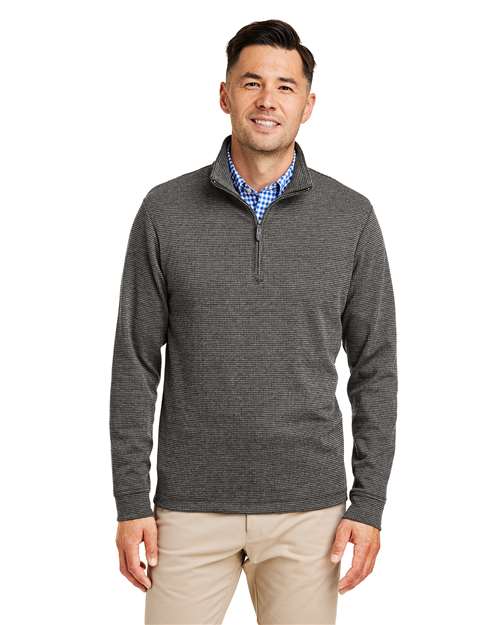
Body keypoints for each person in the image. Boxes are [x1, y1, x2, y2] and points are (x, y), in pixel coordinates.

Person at [110, 19, 398, 625]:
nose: (268, 100)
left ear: (307, 105)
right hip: (187, 509)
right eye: (252, 83)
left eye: (285, 87)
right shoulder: (164, 212)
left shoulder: (351, 218)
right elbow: (134, 363)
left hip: (310, 513)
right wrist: (131, 501)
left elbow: (376, 368)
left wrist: (368, 502)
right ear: (225, 95)